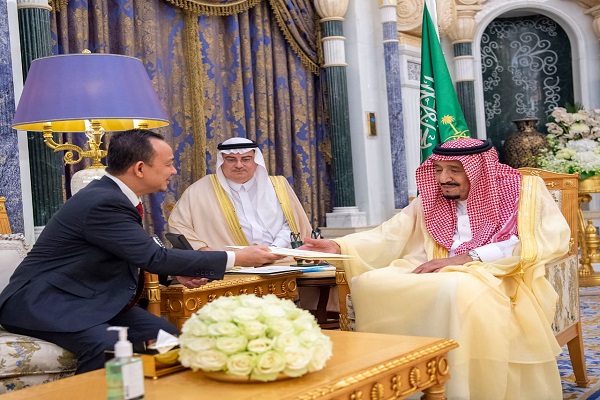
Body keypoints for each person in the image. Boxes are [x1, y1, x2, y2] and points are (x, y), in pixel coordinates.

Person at [300, 138, 569, 400]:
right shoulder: (432, 197)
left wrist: (467, 258)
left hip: (499, 271)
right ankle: (401, 382)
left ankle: (458, 387)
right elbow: (389, 233)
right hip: (435, 265)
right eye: (438, 169)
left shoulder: (521, 191)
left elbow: (537, 240)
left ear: (479, 169)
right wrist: (338, 245)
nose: (443, 178)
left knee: (456, 288)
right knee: (372, 282)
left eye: (454, 170)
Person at [0, 129, 282, 374]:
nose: (174, 171)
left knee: (170, 338)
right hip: (45, 303)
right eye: (169, 164)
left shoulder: (115, 196)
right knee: (109, 345)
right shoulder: (102, 202)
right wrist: (238, 257)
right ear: (139, 168)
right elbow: (154, 257)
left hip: (91, 298)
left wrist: (176, 274)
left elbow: (134, 252)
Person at [168, 137, 312, 250]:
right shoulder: (199, 191)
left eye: (246, 159)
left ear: (256, 161)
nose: (238, 165)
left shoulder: (278, 186)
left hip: (281, 262)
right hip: (230, 267)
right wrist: (202, 249)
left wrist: (273, 249)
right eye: (231, 160)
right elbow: (178, 225)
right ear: (221, 161)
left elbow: (292, 223)